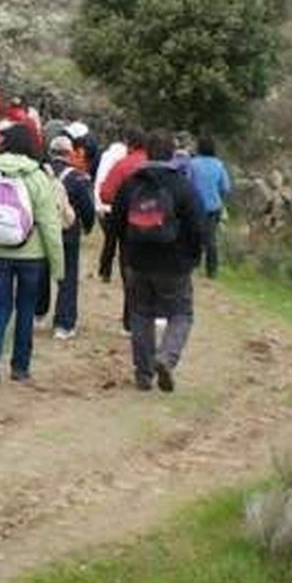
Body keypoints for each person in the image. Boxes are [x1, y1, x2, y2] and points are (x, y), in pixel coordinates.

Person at [109, 131, 204, 392]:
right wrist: (194, 257)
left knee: (140, 314)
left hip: (137, 262)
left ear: (147, 153)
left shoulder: (131, 184)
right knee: (181, 313)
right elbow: (197, 225)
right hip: (174, 264)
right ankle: (166, 357)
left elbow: (115, 225)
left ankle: (143, 375)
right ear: (173, 154)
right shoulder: (182, 185)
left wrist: (109, 260)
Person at [0, 124, 64, 385]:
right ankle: (20, 367)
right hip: (30, 254)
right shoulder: (37, 176)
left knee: (1, 304)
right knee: (25, 307)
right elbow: (50, 224)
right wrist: (58, 267)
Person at [47, 136, 97, 339]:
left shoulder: (40, 172)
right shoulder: (77, 177)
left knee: (40, 272)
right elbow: (87, 208)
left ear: (51, 152)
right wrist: (87, 226)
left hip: (41, 230)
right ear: (69, 153)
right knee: (67, 277)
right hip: (67, 232)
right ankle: (64, 324)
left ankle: (37, 312)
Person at [94, 128, 146, 285]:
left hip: (127, 218)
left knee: (114, 242)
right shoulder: (156, 162)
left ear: (129, 145)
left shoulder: (123, 165)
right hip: (156, 221)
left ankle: (108, 272)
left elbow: (106, 193)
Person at [188, 136, 233, 278]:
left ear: (199, 148)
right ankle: (212, 271)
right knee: (210, 239)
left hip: (195, 205)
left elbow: (186, 182)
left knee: (193, 235)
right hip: (213, 207)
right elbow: (226, 187)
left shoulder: (193, 164)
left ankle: (192, 265)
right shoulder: (219, 165)